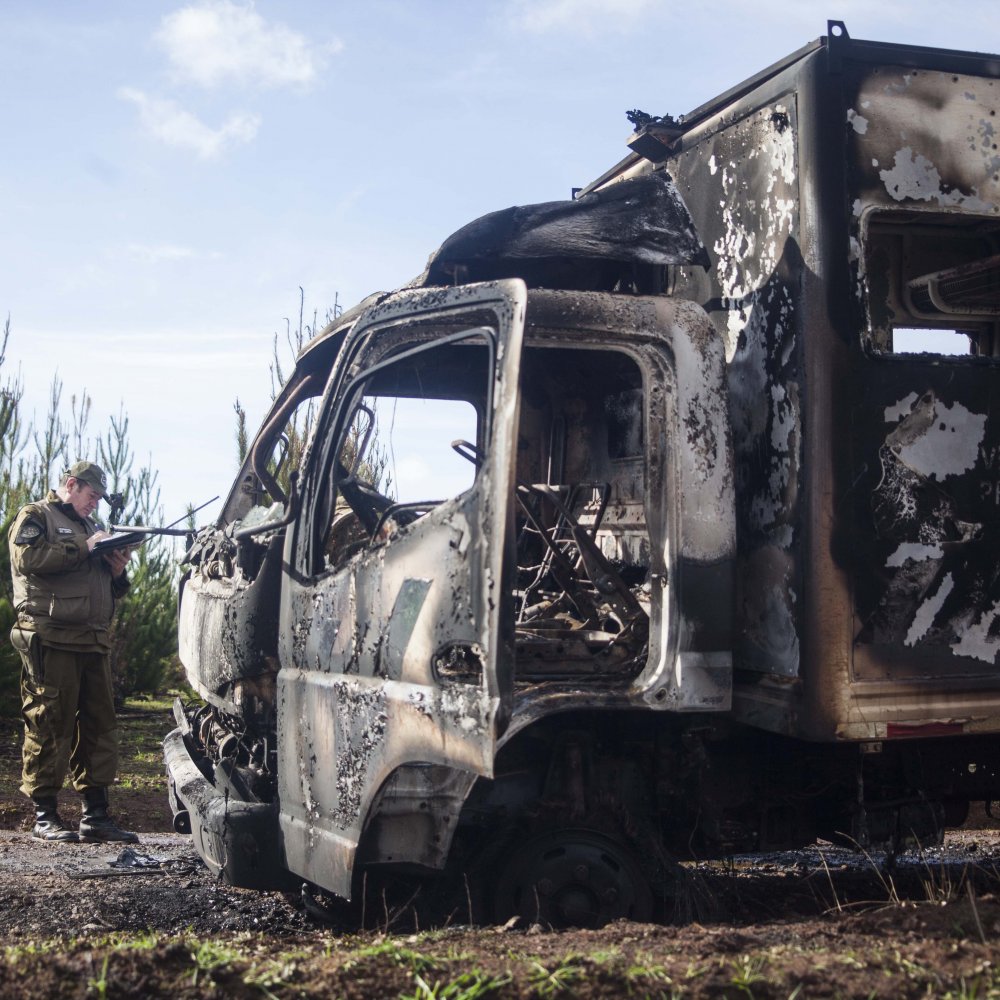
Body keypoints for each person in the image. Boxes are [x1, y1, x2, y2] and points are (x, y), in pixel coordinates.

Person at [7, 461, 139, 843]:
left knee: (100, 727)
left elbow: (111, 587)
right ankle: (45, 815)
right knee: (50, 722)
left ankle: (95, 815)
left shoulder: (92, 528)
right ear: (71, 484)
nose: (95, 505)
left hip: (93, 640)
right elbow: (27, 560)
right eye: (91, 495)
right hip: (51, 637)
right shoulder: (37, 516)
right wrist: (85, 546)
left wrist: (117, 570)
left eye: (99, 498)